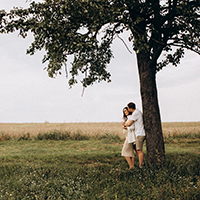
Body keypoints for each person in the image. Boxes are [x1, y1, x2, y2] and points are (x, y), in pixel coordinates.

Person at [124, 102, 146, 168]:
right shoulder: (137, 112)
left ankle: (141, 165)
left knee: (139, 150)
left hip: (140, 133)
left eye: (128, 108)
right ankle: (141, 164)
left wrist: (125, 125)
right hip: (138, 133)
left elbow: (129, 123)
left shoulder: (135, 113)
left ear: (130, 108)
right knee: (137, 150)